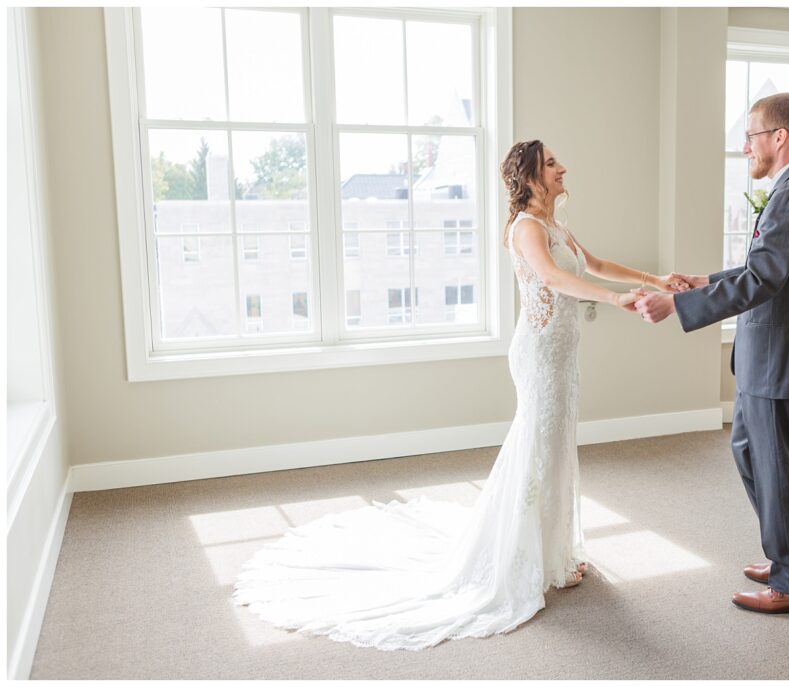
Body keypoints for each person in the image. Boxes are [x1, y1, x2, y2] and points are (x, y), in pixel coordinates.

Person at [233, 139, 685, 649]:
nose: (564, 168)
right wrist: (614, 299)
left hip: (563, 352)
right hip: (538, 353)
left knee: (555, 447)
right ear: (532, 177)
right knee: (537, 446)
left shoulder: (556, 225)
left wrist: (655, 278)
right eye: (553, 163)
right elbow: (554, 277)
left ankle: (552, 548)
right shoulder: (526, 228)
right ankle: (523, 554)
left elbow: (592, 261)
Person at [635, 92, 789, 615]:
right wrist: (705, 280)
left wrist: (680, 303)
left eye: (751, 135)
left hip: (777, 358)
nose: (745, 146)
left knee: (772, 468)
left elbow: (764, 278)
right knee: (751, 455)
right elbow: (767, 269)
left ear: (779, 138)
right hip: (766, 358)